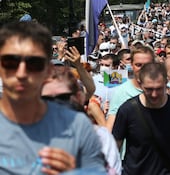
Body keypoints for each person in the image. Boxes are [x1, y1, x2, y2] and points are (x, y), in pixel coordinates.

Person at [0, 21, 106, 174]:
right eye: (11, 62)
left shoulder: (77, 126)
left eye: (34, 63)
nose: (21, 73)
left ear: (49, 70)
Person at [112, 62, 170, 175]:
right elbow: (115, 148)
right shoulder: (127, 110)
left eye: (159, 89)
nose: (154, 94)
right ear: (140, 84)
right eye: (149, 89)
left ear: (166, 83)